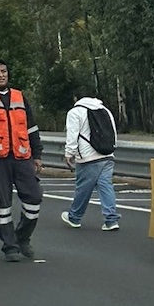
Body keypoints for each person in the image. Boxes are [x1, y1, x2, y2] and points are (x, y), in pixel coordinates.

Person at [0, 59, 44, 262]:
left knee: (34, 197)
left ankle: (22, 237)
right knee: (3, 204)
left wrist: (37, 155)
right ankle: (10, 247)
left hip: (22, 157)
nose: (1, 75)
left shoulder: (19, 97)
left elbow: (31, 128)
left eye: (4, 71)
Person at [62, 92, 121, 231]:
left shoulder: (75, 112)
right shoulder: (104, 109)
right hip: (107, 154)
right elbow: (112, 132)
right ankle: (111, 220)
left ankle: (74, 217)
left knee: (83, 188)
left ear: (76, 98)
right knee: (105, 185)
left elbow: (72, 134)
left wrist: (69, 153)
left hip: (88, 157)